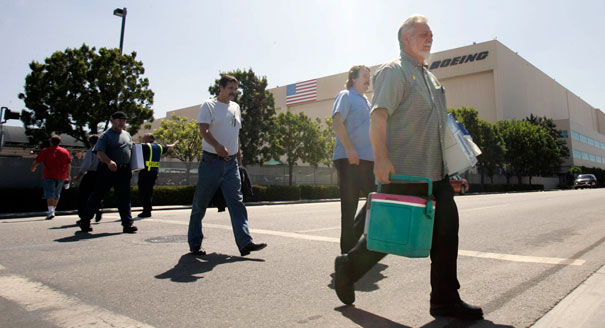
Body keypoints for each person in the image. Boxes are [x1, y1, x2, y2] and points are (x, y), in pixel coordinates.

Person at [333, 15, 483, 320]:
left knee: (446, 231)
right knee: (390, 236)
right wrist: (382, 158)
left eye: (431, 34)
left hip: (435, 174)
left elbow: (439, 127)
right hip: (403, 170)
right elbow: (379, 117)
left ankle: (444, 299)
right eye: (422, 34)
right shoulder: (394, 71)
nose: (429, 38)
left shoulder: (430, 77)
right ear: (405, 39)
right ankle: (348, 267)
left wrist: (451, 167)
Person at [188, 75, 267, 256]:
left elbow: (235, 134)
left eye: (235, 88)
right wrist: (216, 146)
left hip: (231, 164)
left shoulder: (236, 108)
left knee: (237, 203)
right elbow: (203, 130)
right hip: (211, 162)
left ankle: (245, 243)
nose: (233, 92)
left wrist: (239, 159)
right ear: (221, 88)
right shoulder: (208, 106)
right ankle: (194, 243)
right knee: (200, 204)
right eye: (230, 88)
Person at [332, 65, 375, 254]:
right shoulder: (346, 95)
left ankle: (353, 241)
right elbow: (337, 121)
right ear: (353, 78)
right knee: (349, 207)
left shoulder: (367, 101)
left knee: (377, 199)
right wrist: (350, 149)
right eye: (365, 76)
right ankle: (346, 253)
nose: (368, 79)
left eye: (369, 76)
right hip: (350, 159)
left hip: (368, 160)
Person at [78, 111, 138, 233]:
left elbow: (129, 147)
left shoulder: (127, 134)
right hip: (107, 170)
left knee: (124, 197)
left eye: (124, 120)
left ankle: (127, 224)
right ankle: (85, 221)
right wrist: (109, 162)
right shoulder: (105, 135)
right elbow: (99, 152)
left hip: (123, 170)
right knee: (98, 195)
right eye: (119, 120)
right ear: (112, 120)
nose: (122, 122)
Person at [136, 133, 178, 218]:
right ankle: (148, 209)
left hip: (145, 172)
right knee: (149, 191)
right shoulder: (159, 147)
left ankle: (146, 211)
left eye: (144, 137)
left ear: (149, 138)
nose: (143, 139)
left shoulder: (146, 146)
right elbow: (167, 147)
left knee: (143, 192)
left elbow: (135, 146)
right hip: (154, 172)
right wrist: (174, 144)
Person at [31, 135, 72, 220]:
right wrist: (68, 176)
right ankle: (53, 210)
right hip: (61, 175)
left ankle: (50, 211)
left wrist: (33, 167)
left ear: (50, 142)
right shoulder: (65, 151)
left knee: (50, 192)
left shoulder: (46, 151)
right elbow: (68, 164)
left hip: (49, 175)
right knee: (57, 194)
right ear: (59, 142)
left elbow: (37, 161)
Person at [73, 135, 103, 223]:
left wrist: (78, 176)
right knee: (97, 194)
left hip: (91, 174)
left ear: (90, 142)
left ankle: (83, 216)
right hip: (100, 174)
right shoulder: (103, 151)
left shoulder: (90, 151)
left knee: (83, 196)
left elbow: (86, 165)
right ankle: (98, 208)